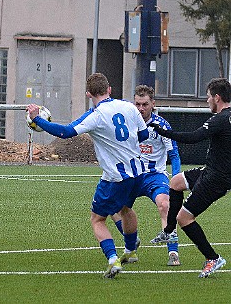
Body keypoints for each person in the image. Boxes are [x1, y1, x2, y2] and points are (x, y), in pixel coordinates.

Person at [27, 73, 149, 278]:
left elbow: (65, 132)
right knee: (125, 209)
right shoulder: (129, 106)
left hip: (115, 176)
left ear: (88, 94)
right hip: (137, 172)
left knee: (97, 219)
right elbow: (143, 135)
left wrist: (37, 119)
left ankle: (112, 260)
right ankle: (131, 250)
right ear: (109, 90)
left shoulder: (96, 115)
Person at [149, 77, 231, 278]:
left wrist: (164, 132)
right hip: (212, 170)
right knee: (175, 182)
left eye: (208, 97)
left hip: (217, 179)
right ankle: (168, 231)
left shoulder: (220, 119)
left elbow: (193, 138)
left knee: (184, 218)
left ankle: (212, 258)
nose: (207, 101)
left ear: (217, 97)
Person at [111, 85, 181, 266]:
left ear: (153, 104)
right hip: (132, 175)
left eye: (145, 104)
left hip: (154, 176)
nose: (141, 108)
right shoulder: (128, 124)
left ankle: (173, 252)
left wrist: (175, 179)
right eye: (137, 104)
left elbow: (173, 154)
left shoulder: (161, 125)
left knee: (165, 204)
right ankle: (132, 240)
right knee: (112, 207)